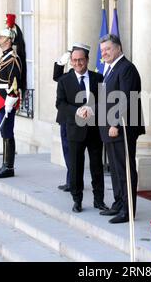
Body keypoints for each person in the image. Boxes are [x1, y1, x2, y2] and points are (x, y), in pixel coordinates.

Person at [98, 34, 145, 224]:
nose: (104, 53)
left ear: (118, 48)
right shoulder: (110, 69)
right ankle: (118, 203)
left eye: (108, 49)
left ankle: (128, 210)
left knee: (125, 169)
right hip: (109, 128)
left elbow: (126, 98)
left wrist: (116, 124)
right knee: (115, 169)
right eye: (102, 50)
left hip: (121, 128)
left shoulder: (127, 68)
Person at [56, 43, 109, 213]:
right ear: (71, 62)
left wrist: (91, 109)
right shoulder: (64, 81)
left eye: (81, 60)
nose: (78, 63)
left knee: (96, 167)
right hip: (74, 130)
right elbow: (60, 104)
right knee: (76, 167)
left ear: (87, 60)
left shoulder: (98, 78)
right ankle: (77, 200)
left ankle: (99, 200)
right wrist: (77, 110)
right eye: (75, 60)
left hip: (94, 130)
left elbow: (104, 101)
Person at [0, 14, 26, 178]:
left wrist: (12, 98)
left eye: (1, 36)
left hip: (6, 99)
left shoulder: (13, 59)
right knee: (4, 132)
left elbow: (15, 81)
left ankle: (9, 167)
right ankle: (5, 164)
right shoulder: (3, 57)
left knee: (7, 131)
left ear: (9, 40)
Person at [53, 49, 73, 192]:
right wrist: (60, 63)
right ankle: (71, 180)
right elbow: (56, 77)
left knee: (71, 152)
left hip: (73, 120)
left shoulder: (81, 76)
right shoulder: (67, 76)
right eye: (72, 59)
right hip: (65, 119)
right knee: (67, 152)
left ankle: (72, 181)